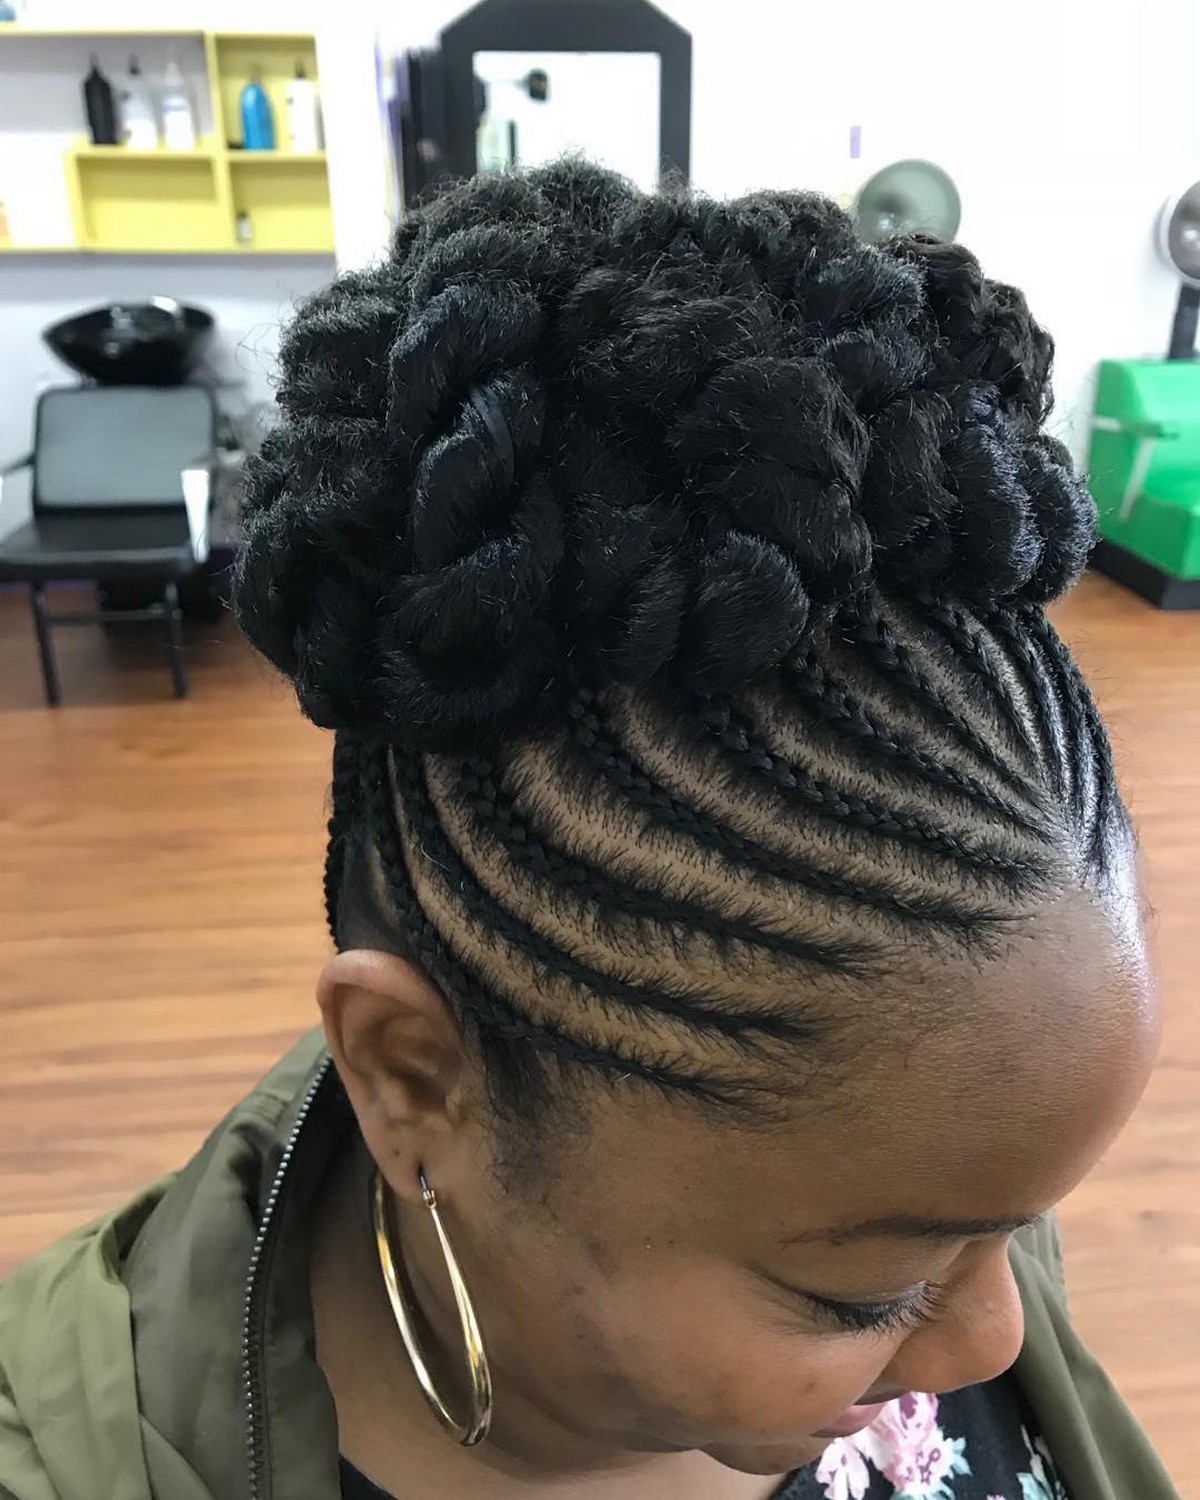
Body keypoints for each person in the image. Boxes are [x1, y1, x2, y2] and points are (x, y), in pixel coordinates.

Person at [0, 161, 1179, 1500]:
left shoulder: (920, 1163)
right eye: (863, 1293)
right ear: (410, 1081)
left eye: (1018, 1228)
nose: (998, 1338)